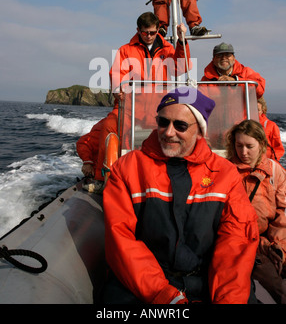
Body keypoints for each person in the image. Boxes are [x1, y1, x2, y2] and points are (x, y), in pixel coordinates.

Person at [103, 86, 259, 304]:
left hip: (206, 283)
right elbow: (120, 237)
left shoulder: (226, 175)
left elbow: (235, 244)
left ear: (200, 130)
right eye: (163, 122)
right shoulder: (127, 169)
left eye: (181, 125)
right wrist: (165, 296)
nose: (168, 132)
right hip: (143, 286)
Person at [89, 12, 191, 181]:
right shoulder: (125, 50)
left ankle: (170, 174)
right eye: (145, 32)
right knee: (110, 125)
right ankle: (104, 178)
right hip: (131, 106)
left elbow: (181, 67)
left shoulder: (168, 49)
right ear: (138, 30)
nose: (149, 36)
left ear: (158, 29)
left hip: (159, 107)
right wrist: (117, 89)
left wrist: (181, 41)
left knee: (179, 127)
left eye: (152, 32)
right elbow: (117, 73)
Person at [225, 119, 286, 304]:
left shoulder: (276, 172)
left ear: (261, 144)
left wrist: (278, 248)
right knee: (278, 288)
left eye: (249, 146)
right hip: (239, 243)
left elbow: (280, 215)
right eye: (239, 145)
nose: (243, 152)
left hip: (270, 241)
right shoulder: (225, 171)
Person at [201, 42, 266, 98]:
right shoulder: (206, 80)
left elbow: (260, 91)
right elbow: (201, 102)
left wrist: (236, 81)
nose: (223, 58)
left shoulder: (246, 72)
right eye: (219, 55)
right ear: (213, 59)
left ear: (234, 58)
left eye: (228, 55)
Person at [257, 96, 285, 161]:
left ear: (263, 110)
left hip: (266, 163)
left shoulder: (271, 126)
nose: (255, 111)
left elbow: (278, 148)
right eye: (252, 109)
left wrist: (271, 162)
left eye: (258, 110)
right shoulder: (243, 125)